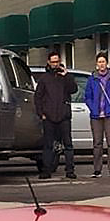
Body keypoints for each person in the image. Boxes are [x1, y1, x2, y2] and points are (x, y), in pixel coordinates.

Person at [33, 51, 76, 180]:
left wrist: (67, 75)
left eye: (57, 61)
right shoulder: (44, 79)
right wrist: (41, 114)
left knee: (68, 144)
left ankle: (70, 170)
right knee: (48, 145)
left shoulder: (65, 77)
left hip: (63, 116)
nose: (55, 64)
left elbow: (73, 89)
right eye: (53, 62)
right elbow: (38, 97)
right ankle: (46, 170)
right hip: (49, 116)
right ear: (48, 62)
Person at [82, 53, 110, 177]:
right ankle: (97, 169)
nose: (101, 64)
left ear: (107, 64)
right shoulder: (92, 78)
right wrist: (92, 108)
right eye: (99, 62)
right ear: (96, 64)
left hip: (109, 114)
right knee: (97, 143)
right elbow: (87, 96)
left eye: (103, 62)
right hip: (96, 116)